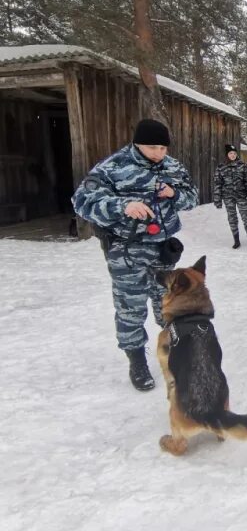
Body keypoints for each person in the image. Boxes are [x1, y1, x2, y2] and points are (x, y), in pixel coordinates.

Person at [72, 119, 198, 391]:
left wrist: (175, 194)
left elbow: (192, 197)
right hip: (126, 249)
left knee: (167, 302)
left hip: (162, 249)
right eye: (152, 147)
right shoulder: (113, 167)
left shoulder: (171, 166)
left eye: (163, 147)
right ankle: (136, 359)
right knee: (130, 306)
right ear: (137, 143)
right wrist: (122, 206)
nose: (159, 153)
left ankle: (175, 351)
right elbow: (82, 202)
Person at [213, 144, 247, 249]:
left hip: (241, 196)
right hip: (228, 197)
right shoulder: (221, 167)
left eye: (234, 153)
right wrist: (217, 200)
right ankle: (236, 241)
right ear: (227, 155)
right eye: (230, 153)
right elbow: (217, 184)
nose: (233, 155)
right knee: (232, 218)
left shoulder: (242, 165)